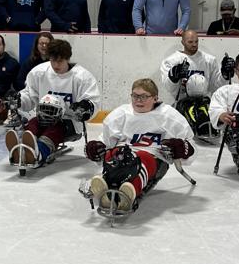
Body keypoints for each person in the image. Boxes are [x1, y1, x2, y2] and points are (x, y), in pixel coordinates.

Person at [83, 78, 194, 210]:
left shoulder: (169, 116)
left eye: (144, 97)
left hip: (153, 157)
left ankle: (128, 192)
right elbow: (106, 142)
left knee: (141, 159)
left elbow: (190, 144)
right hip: (124, 153)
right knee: (114, 154)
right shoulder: (121, 114)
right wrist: (95, 148)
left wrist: (183, 147)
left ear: (155, 98)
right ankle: (106, 183)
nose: (138, 100)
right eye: (135, 96)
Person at [5, 39, 100, 167]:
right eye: (52, 60)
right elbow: (29, 95)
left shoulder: (82, 77)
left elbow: (93, 100)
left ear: (67, 59)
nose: (55, 65)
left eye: (60, 61)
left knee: (54, 129)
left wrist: (86, 107)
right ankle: (23, 148)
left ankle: (38, 152)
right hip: (43, 117)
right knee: (33, 124)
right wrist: (18, 100)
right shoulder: (39, 72)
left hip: (68, 122)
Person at [160, 30, 223, 138]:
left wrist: (225, 75)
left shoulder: (209, 60)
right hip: (182, 102)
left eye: (196, 41)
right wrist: (173, 77)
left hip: (203, 102)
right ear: (183, 42)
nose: (194, 44)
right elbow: (169, 87)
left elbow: (216, 86)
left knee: (206, 121)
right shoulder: (172, 60)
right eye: (190, 42)